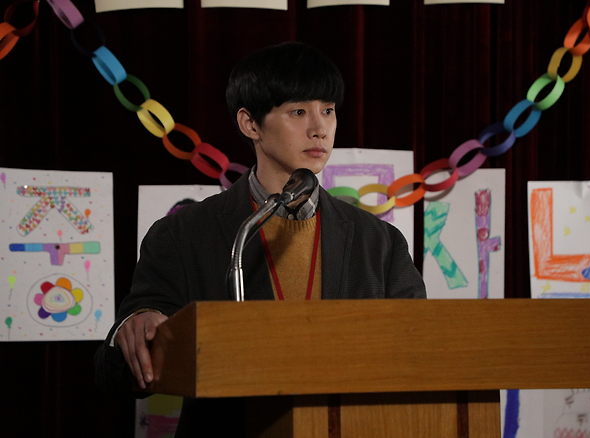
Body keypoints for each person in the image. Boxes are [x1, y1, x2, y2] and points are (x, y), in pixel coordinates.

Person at [95, 41, 426, 436]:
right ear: (250, 124)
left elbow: (421, 352)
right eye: (298, 112)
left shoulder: (381, 242)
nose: (320, 128)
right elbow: (113, 372)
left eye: (328, 110)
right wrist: (139, 325)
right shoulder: (182, 234)